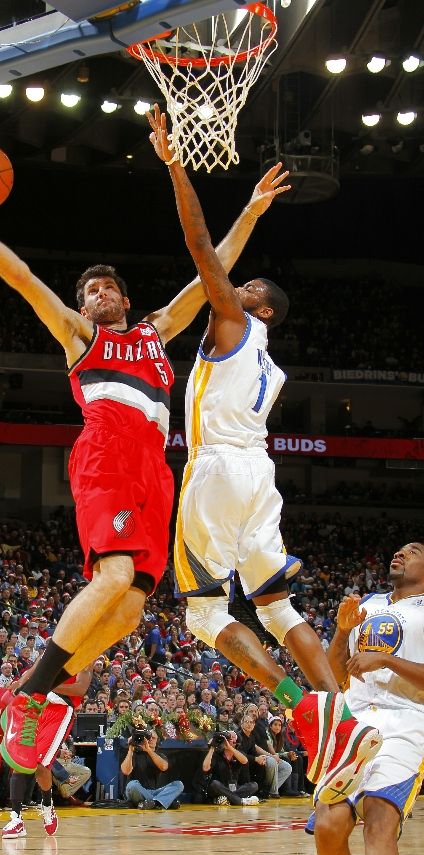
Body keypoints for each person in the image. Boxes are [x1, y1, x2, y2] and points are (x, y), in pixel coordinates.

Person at [0, 123, 288, 776]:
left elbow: (212, 268)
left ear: (126, 301)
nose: (96, 295)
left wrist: (251, 210)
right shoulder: (79, 337)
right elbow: (21, 278)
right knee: (116, 578)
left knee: (128, 613)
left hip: (156, 475)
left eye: (106, 290)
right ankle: (29, 696)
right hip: (104, 455)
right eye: (88, 292)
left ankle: (34, 689)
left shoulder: (156, 330)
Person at [147, 106, 381, 801]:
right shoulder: (269, 364)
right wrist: (250, 208)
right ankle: (348, 715)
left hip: (216, 470)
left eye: (246, 285)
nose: (235, 282)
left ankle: (302, 706)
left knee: (203, 616)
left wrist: (174, 165)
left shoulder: (234, 319)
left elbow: (198, 245)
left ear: (262, 308)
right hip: (260, 477)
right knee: (279, 609)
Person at [310, 542, 424, 855]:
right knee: (329, 826)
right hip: (354, 722)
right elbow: (331, 674)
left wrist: (387, 661)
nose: (402, 554)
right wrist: (343, 632)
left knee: (379, 823)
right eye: (400, 550)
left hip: (405, 722)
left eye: (415, 551)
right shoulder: (366, 605)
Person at [0, 660, 92, 839]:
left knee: (41, 765)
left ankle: (47, 806)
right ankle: (16, 818)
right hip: (35, 706)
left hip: (60, 710)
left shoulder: (85, 657)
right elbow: (33, 672)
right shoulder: (53, 649)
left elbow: (80, 689)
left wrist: (50, 685)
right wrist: (19, 684)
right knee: (20, 761)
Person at [120, 727, 183, 810]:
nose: (150, 740)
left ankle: (153, 803)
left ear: (157, 741)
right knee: (132, 785)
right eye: (148, 737)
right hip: (137, 791)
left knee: (178, 785)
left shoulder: (160, 755)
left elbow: (164, 767)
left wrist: (148, 750)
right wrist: (131, 749)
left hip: (155, 791)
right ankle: (161, 802)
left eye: (153, 738)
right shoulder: (133, 754)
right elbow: (125, 771)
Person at [194, 729, 259, 806]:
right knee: (215, 784)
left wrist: (230, 747)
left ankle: (226, 799)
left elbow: (245, 761)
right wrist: (212, 747)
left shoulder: (238, 753)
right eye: (228, 737)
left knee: (254, 785)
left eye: (232, 737)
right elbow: (205, 768)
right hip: (219, 788)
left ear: (236, 741)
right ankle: (240, 801)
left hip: (233, 788)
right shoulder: (217, 754)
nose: (229, 739)